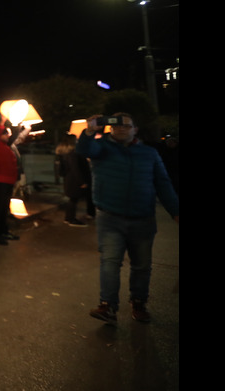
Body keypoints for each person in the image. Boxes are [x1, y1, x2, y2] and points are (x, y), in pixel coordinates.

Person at [77, 113, 179, 325]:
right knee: (110, 262)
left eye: (127, 125)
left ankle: (139, 302)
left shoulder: (149, 153)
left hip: (143, 218)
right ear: (109, 128)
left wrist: (175, 211)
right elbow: (83, 150)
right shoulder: (100, 148)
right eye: (116, 125)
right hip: (109, 217)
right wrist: (89, 131)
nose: (121, 129)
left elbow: (163, 183)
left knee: (142, 265)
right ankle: (107, 305)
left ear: (136, 129)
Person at [0, 117, 28, 245]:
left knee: (4, 208)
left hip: (8, 181)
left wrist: (22, 126)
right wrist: (1, 122)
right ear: (1, 135)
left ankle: (4, 231)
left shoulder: (6, 146)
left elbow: (16, 137)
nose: (9, 136)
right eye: (7, 134)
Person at [56, 134, 90, 227]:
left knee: (72, 199)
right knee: (73, 200)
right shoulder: (73, 153)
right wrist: (82, 182)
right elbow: (76, 168)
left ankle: (68, 218)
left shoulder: (63, 153)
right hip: (74, 180)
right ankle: (71, 219)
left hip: (69, 179)